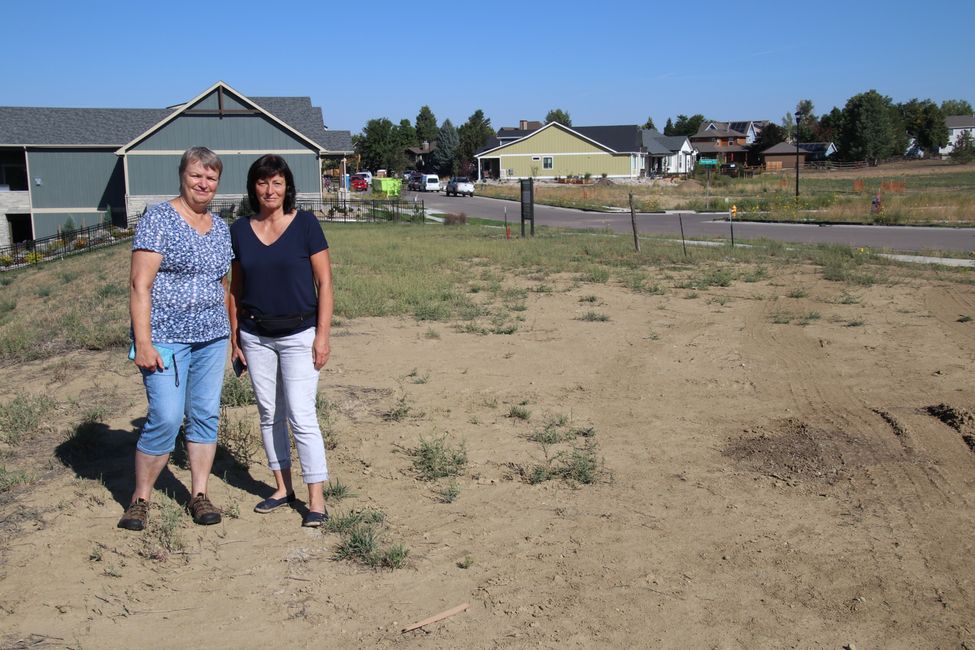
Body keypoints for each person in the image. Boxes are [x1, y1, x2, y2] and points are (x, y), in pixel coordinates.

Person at [118, 147, 232, 531]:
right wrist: (143, 342)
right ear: (182, 176)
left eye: (211, 178)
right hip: (165, 338)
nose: (203, 184)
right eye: (196, 175)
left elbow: (223, 284)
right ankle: (140, 498)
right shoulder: (159, 218)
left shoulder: (220, 228)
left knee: (203, 415)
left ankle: (198, 494)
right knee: (166, 417)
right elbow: (139, 284)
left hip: (212, 337)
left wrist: (232, 336)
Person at [229, 154, 333, 528]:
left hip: (299, 334)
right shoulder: (240, 229)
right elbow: (234, 289)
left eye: (276, 182)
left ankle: (316, 500)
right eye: (262, 182)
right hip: (255, 336)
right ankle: (281, 488)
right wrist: (235, 336)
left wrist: (322, 336)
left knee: (301, 416)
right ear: (253, 187)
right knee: (269, 413)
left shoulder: (306, 224)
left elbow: (325, 284)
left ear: (287, 186)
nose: (269, 189)